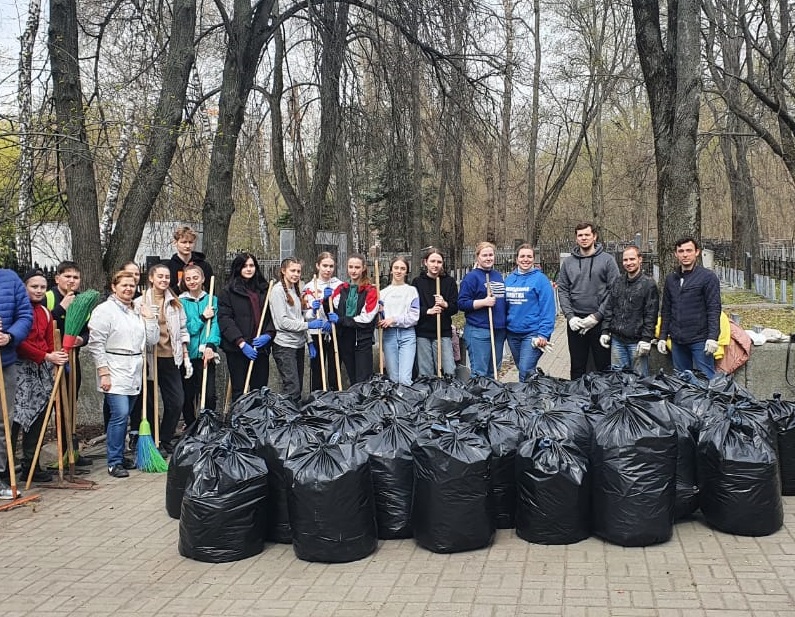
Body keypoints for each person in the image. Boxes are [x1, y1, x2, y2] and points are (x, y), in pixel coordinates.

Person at [88, 270, 159, 477]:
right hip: (114, 366)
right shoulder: (105, 310)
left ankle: (119, 454)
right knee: (119, 414)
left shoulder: (137, 309)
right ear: (114, 287)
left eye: (132, 285)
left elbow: (152, 340)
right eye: (124, 285)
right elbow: (96, 343)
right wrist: (103, 372)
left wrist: (150, 318)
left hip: (135, 368)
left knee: (126, 414)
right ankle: (114, 461)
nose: (128, 289)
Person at [12, 270, 68, 483]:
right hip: (20, 371)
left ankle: (31, 465)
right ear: (24, 287)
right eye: (34, 286)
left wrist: (56, 355)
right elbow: (19, 341)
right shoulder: (17, 311)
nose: (39, 291)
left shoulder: (45, 311)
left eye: (42, 287)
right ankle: (7, 469)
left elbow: (48, 340)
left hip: (42, 370)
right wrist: (45, 355)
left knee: (39, 419)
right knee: (15, 420)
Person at [133, 263, 189, 454]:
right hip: (149, 359)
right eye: (160, 277)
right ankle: (153, 441)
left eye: (167, 277)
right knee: (149, 403)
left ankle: (165, 438)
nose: (164, 280)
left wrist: (185, 355)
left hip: (170, 357)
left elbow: (182, 329)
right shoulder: (140, 303)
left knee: (176, 401)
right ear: (151, 278)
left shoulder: (175, 302)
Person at [557, 222, 620, 379]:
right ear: (576, 238)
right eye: (580, 235)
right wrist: (570, 316)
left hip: (600, 321)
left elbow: (615, 290)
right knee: (577, 365)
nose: (584, 238)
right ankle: (576, 400)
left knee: (603, 366)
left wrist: (598, 316)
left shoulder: (607, 260)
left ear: (594, 236)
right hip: (576, 321)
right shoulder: (568, 263)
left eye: (587, 235)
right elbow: (563, 289)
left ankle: (603, 399)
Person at [45, 260, 92, 467]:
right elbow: (43, 325)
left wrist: (82, 339)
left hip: (73, 359)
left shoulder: (82, 300)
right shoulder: (48, 297)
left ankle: (71, 453)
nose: (72, 281)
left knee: (70, 406)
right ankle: (35, 460)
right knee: (50, 409)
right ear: (57, 279)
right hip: (49, 361)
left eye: (75, 277)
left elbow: (86, 329)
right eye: (67, 276)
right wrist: (61, 308)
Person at [658, 237, 722, 378]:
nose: (685, 255)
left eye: (689, 251)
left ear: (697, 252)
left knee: (706, 380)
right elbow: (667, 310)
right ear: (676, 254)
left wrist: (712, 337)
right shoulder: (671, 279)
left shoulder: (707, 278)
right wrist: (662, 336)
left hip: (700, 339)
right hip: (678, 340)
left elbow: (714, 308)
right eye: (681, 251)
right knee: (681, 381)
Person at [218, 253, 274, 402]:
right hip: (238, 349)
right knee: (240, 390)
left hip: (260, 348)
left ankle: (258, 422)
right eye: (244, 266)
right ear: (237, 268)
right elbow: (225, 319)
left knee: (260, 389)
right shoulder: (228, 292)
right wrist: (240, 342)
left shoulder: (264, 290)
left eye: (251, 265)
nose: (248, 269)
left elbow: (271, 316)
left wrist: (268, 334)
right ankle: (240, 421)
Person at [599, 245, 660, 376]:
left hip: (637, 342)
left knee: (639, 381)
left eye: (632, 259)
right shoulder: (618, 281)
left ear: (640, 259)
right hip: (617, 341)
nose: (629, 263)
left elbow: (651, 314)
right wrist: (605, 330)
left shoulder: (648, 285)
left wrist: (646, 338)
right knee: (618, 379)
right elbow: (610, 307)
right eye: (625, 260)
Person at [271, 258, 325, 403]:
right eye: (292, 270)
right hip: (284, 346)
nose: (296, 274)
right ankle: (285, 419)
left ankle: (293, 419)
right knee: (292, 388)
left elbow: (301, 317)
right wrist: (309, 326)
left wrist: (312, 312)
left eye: (298, 271)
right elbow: (283, 323)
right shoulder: (277, 291)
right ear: (283, 271)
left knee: (298, 388)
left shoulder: (296, 289)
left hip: (298, 345)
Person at [0, 269, 33, 498]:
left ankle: (2, 476)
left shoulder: (10, 279)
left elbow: (24, 315)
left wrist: (9, 336)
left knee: (3, 421)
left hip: (4, 362)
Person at [505, 244, 556, 381]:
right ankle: (536, 391)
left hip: (533, 334)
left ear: (534, 259)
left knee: (525, 370)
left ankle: (525, 400)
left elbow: (548, 309)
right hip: (512, 334)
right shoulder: (509, 280)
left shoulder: (541, 280)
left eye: (529, 256)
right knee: (523, 368)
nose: (525, 259)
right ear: (516, 259)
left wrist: (543, 334)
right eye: (522, 256)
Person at [458, 241, 507, 379]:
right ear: (477, 257)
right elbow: (462, 303)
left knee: (494, 371)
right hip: (479, 330)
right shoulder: (471, 277)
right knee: (480, 372)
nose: (488, 258)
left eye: (491, 255)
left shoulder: (497, 276)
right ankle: (479, 400)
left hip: (498, 330)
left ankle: (491, 399)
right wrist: (483, 302)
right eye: (484, 255)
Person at [179, 264, 220, 424]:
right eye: (188, 279)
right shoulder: (180, 302)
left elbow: (216, 325)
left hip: (206, 354)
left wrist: (211, 346)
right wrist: (202, 317)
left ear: (202, 279)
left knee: (209, 394)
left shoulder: (211, 300)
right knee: (188, 395)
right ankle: (190, 425)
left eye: (195, 278)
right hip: (188, 355)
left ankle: (208, 424)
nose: (192, 281)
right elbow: (186, 329)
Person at [330, 254, 379, 385]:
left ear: (363, 268)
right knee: (352, 378)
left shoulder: (371, 291)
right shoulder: (341, 289)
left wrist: (341, 320)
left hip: (362, 340)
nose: (353, 270)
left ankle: (365, 404)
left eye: (357, 267)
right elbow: (333, 308)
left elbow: (366, 318)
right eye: (350, 267)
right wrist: (324, 301)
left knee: (363, 380)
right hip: (345, 339)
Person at [412, 248, 458, 378]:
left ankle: (447, 395)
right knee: (426, 371)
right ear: (425, 262)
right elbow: (413, 308)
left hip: (442, 332)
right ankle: (429, 396)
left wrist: (445, 304)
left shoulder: (449, 282)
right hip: (423, 332)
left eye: (439, 262)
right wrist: (428, 311)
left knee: (448, 369)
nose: (435, 265)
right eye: (432, 261)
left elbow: (455, 307)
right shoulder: (417, 282)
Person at [301, 252, 343, 391]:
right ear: (317, 266)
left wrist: (334, 323)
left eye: (331, 266)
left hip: (334, 333)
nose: (328, 269)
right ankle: (317, 400)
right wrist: (313, 310)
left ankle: (335, 399)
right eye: (324, 266)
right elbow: (305, 316)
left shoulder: (340, 285)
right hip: (316, 332)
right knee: (317, 371)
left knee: (334, 370)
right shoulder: (309, 287)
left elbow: (342, 311)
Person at [379, 256, 420, 385]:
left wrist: (394, 319)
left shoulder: (411, 291)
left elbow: (414, 317)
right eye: (396, 268)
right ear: (391, 270)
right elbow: (379, 319)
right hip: (389, 335)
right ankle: (395, 404)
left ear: (406, 272)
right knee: (393, 378)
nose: (399, 271)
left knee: (405, 379)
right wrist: (378, 315)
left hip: (407, 335)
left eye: (402, 268)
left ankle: (407, 404)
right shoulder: (383, 293)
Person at [166, 225, 213, 294]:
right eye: (184, 242)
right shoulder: (169, 267)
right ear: (175, 243)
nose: (187, 246)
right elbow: (165, 294)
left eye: (190, 242)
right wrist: (178, 286)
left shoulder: (204, 266)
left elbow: (210, 291)